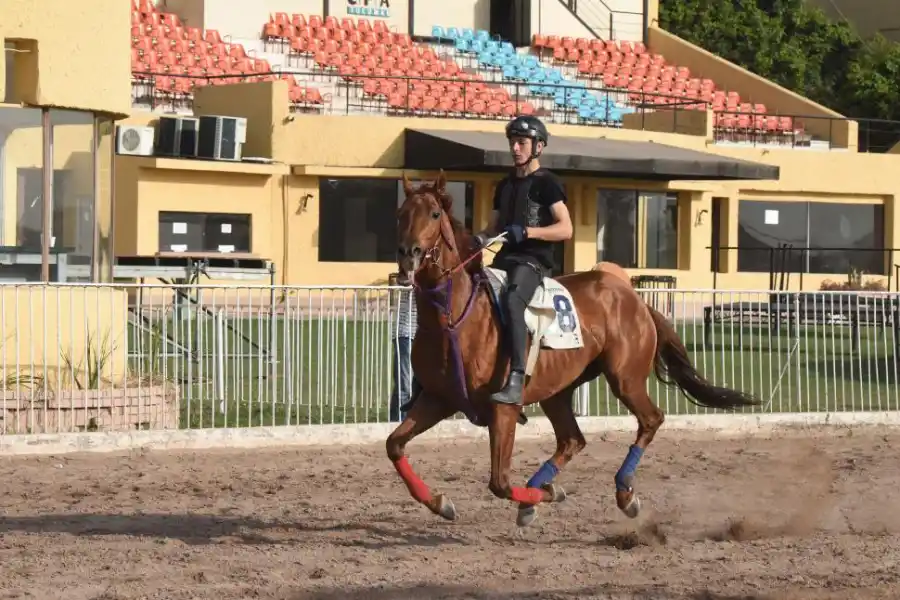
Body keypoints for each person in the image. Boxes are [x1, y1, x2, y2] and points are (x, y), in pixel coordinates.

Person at [473, 115, 574, 406]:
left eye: (522, 143)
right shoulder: (504, 185)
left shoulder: (548, 183)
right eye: (512, 143)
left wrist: (528, 231)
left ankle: (517, 379)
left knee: (513, 300)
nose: (515, 148)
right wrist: (478, 239)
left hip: (533, 260)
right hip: (505, 257)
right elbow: (492, 227)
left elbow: (565, 229)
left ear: (538, 147)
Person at [389, 276, 417, 422]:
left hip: (422, 334)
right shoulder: (410, 266)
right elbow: (403, 279)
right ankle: (397, 422)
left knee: (417, 385)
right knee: (404, 384)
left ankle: (408, 421)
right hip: (406, 333)